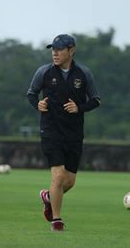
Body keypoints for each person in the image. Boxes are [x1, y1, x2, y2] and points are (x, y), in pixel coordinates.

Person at [27, 34, 100, 231]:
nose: (55, 53)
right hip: (51, 131)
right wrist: (38, 104)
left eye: (59, 49)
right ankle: (57, 220)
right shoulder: (44, 72)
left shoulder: (84, 73)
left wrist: (80, 108)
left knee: (69, 182)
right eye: (53, 50)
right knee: (58, 176)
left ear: (71, 50)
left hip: (74, 133)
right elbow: (31, 94)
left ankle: (48, 197)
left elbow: (96, 100)